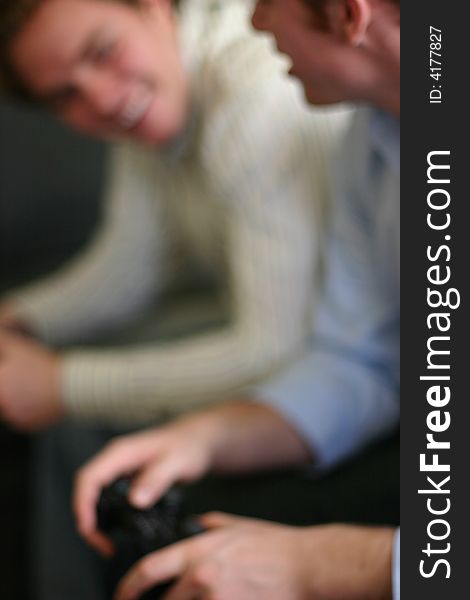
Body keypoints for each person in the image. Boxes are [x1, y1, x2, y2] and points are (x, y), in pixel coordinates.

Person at [71, 0, 401, 599]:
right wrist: (207, 437)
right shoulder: (372, 137)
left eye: (267, 2)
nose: (254, 23)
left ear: (348, 15)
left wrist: (320, 566)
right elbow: (365, 363)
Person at [0, 0, 347, 429]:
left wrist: (64, 385)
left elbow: (274, 350)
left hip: (348, 359)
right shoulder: (153, 105)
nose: (104, 100)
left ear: (156, 7)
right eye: (65, 95)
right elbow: (129, 271)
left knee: (86, 415)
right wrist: (18, 320)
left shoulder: (251, 100)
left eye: (102, 51)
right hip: (299, 335)